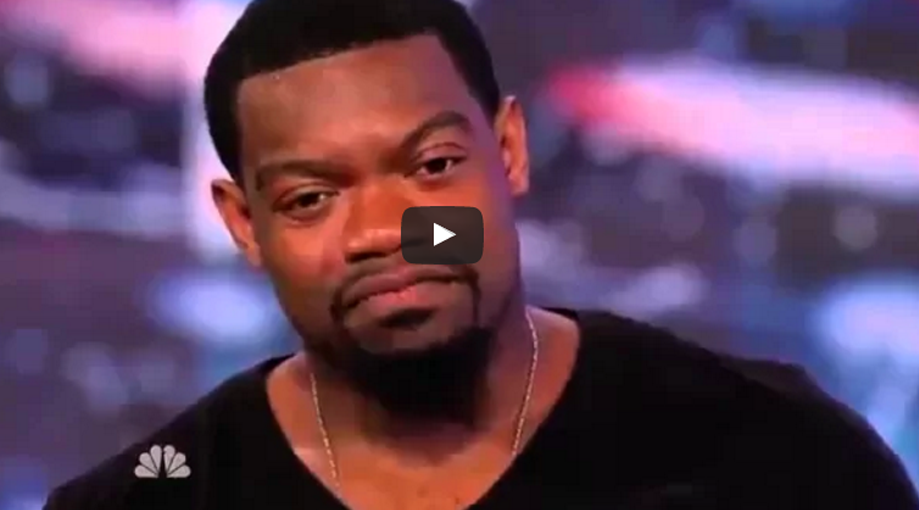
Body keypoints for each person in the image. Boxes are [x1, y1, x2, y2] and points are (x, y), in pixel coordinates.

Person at [44, 0, 919, 508]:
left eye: (431, 168)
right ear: (244, 225)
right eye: (311, 199)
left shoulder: (775, 456)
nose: (381, 231)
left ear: (509, 153)